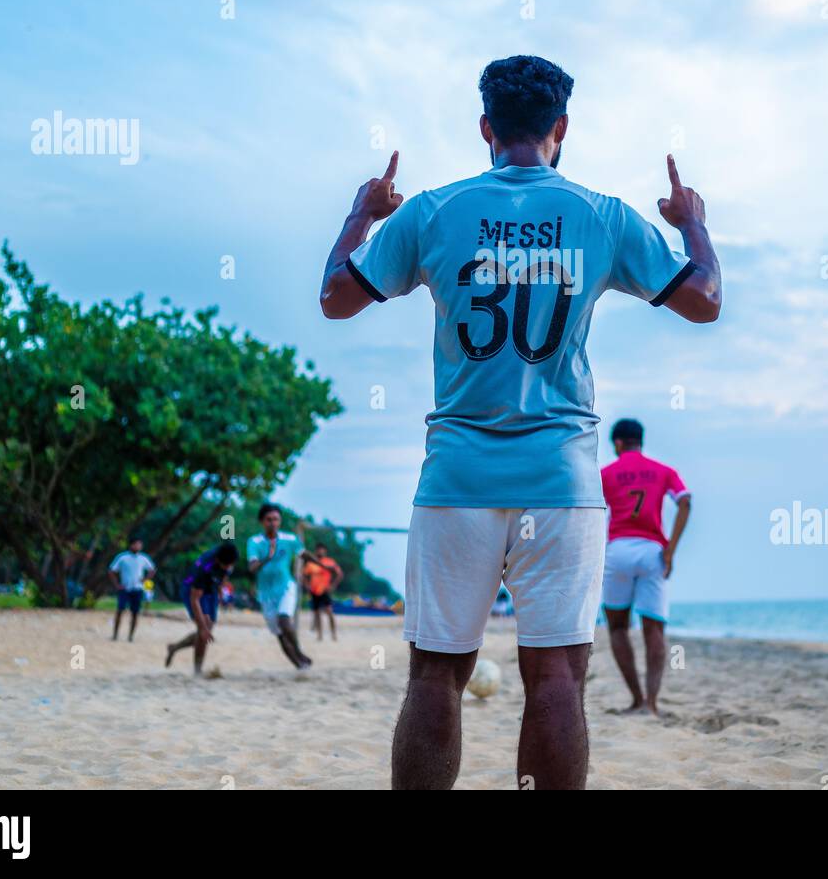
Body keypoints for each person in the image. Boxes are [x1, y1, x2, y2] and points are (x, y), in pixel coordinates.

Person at [320, 55, 722, 790]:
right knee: (558, 676)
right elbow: (704, 298)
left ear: (486, 129)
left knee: (437, 676)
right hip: (560, 482)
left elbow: (336, 298)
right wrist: (693, 225)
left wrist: (361, 214)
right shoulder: (600, 215)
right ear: (560, 129)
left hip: (456, 479)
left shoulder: (435, 211)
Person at [599, 418, 691, 717]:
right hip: (653, 552)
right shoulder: (664, 471)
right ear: (641, 441)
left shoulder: (606, 474)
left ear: (618, 443)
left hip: (618, 550)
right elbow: (686, 501)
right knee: (654, 630)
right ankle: (651, 703)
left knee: (617, 627)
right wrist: (671, 550)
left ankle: (636, 698)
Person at [246, 504, 312, 670]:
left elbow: (304, 554)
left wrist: (324, 567)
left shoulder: (289, 539)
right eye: (269, 520)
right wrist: (267, 557)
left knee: (284, 620)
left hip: (286, 586)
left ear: (280, 521)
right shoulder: (254, 541)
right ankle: (300, 666)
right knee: (280, 635)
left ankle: (299, 652)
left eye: (276, 519)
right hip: (266, 593)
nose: (273, 523)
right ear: (262, 522)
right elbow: (252, 568)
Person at [166, 542, 238, 674]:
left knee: (206, 630)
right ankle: (197, 670)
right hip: (192, 589)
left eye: (230, 565)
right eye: (226, 565)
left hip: (211, 588)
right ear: (217, 560)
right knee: (203, 630)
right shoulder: (204, 568)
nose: (229, 567)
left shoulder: (228, 555)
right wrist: (203, 628)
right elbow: (195, 600)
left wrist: (221, 588)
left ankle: (174, 647)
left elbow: (225, 573)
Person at [108, 537, 156, 642]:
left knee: (135, 613)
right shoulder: (122, 557)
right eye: (137, 544)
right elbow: (111, 570)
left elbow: (152, 569)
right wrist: (117, 584)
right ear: (131, 545)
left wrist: (145, 579)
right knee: (120, 610)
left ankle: (130, 636)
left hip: (137, 589)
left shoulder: (143, 558)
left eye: (140, 544)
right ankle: (115, 634)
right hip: (125, 588)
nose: (138, 546)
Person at [303, 543, 344, 642]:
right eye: (318, 550)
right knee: (317, 613)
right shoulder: (311, 563)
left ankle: (333, 634)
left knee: (329, 611)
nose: (320, 552)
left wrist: (333, 585)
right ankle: (319, 635)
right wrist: (307, 585)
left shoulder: (329, 562)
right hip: (314, 590)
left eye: (322, 550)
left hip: (325, 590)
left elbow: (339, 574)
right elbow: (303, 575)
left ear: (325, 551)